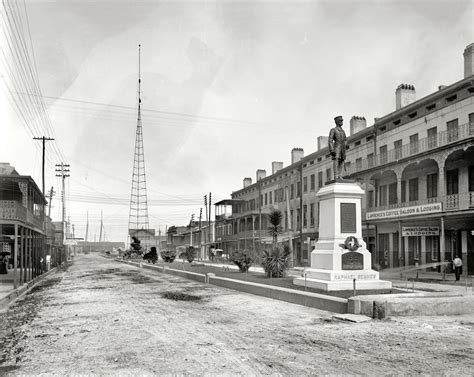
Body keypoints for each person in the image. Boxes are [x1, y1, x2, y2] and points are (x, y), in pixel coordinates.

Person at [328, 115, 347, 180]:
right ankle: (336, 175)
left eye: (342, 120)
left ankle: (340, 175)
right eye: (340, 121)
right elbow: (330, 140)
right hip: (336, 147)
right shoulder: (333, 130)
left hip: (342, 148)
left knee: (341, 161)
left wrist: (345, 145)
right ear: (337, 122)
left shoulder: (343, 131)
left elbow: (345, 139)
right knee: (336, 160)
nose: (342, 122)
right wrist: (331, 150)